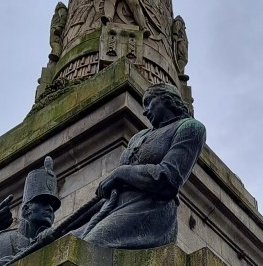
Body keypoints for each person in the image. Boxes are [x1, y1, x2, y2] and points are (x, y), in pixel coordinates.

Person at [72, 83, 205, 249]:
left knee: (92, 246)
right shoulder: (138, 136)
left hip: (151, 208)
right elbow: (116, 189)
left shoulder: (189, 128)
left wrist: (120, 173)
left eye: (148, 102)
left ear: (167, 99)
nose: (144, 111)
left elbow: (168, 178)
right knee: (68, 245)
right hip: (114, 207)